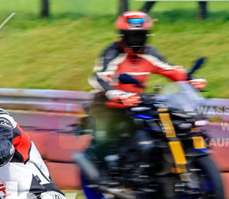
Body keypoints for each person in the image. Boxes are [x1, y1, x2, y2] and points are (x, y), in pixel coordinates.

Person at [87, 11, 206, 169]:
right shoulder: (112, 53)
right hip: (107, 105)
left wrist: (190, 80)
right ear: (123, 35)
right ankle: (102, 171)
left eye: (141, 35)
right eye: (132, 35)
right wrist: (114, 93)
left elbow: (171, 70)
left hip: (135, 103)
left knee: (157, 129)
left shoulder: (150, 53)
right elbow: (100, 77)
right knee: (105, 137)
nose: (136, 40)